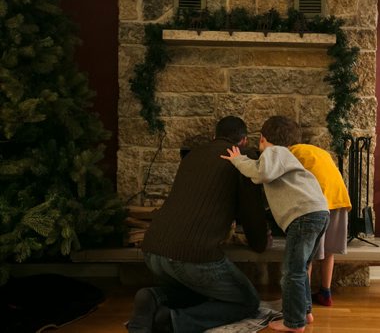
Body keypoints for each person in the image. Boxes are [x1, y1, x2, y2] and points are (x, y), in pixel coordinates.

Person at [128, 116, 269, 333]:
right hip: (192, 256)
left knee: (201, 290)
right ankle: (174, 321)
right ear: (243, 141)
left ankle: (154, 297)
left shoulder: (192, 155)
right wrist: (260, 242)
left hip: (153, 249)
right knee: (247, 301)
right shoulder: (243, 158)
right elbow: (252, 212)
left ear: (214, 137)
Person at [221, 116, 329, 332]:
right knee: (301, 268)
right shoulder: (286, 156)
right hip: (318, 212)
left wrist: (237, 160)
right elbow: (265, 173)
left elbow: (261, 173)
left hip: (303, 216)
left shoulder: (273, 152)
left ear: (262, 139)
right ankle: (305, 312)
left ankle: (294, 322)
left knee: (291, 271)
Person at [268, 116, 351, 306]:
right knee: (329, 252)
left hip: (319, 203)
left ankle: (303, 299)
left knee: (307, 254)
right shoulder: (317, 151)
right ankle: (326, 292)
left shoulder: (288, 155)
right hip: (339, 199)